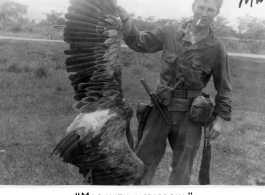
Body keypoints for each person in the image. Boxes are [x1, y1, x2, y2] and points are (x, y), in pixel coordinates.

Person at [117, 0, 232, 185]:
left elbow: (224, 86)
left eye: (210, 9)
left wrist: (219, 120)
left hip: (191, 118)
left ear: (216, 13)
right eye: (201, 7)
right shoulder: (170, 32)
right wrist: (125, 17)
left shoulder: (217, 48)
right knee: (142, 165)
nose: (204, 13)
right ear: (193, 7)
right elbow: (138, 42)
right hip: (159, 111)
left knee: (182, 171)